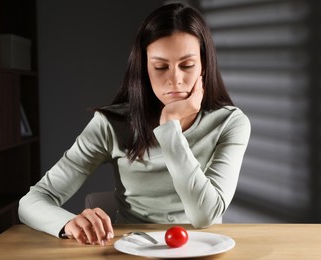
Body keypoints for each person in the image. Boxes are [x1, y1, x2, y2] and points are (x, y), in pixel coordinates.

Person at [18, 3, 251, 246]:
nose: (175, 80)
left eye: (187, 65)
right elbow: (31, 202)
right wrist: (67, 224)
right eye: (161, 67)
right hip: (133, 247)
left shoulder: (230, 123)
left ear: (204, 65)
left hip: (204, 248)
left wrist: (170, 126)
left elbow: (204, 216)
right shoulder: (110, 125)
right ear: (144, 68)